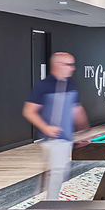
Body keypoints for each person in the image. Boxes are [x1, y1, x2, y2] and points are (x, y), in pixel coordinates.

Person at [23, 52, 89, 201]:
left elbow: (75, 109)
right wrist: (46, 128)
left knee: (57, 171)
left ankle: (43, 198)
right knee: (58, 171)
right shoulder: (43, 86)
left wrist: (83, 132)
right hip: (52, 139)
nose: (72, 68)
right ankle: (51, 206)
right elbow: (29, 111)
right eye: (68, 65)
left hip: (65, 138)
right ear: (57, 65)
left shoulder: (71, 85)